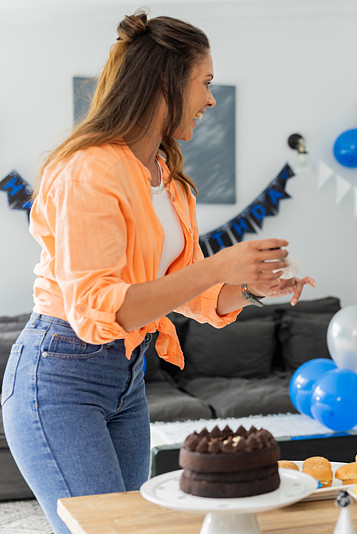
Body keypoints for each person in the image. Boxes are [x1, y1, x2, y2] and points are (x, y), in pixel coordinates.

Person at [0, 11, 314, 533]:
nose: (211, 100)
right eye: (205, 83)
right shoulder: (87, 171)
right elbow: (102, 310)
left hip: (128, 377)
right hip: (61, 377)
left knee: (135, 527)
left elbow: (183, 289)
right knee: (104, 529)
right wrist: (220, 264)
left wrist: (249, 288)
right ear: (166, 81)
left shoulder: (167, 179)